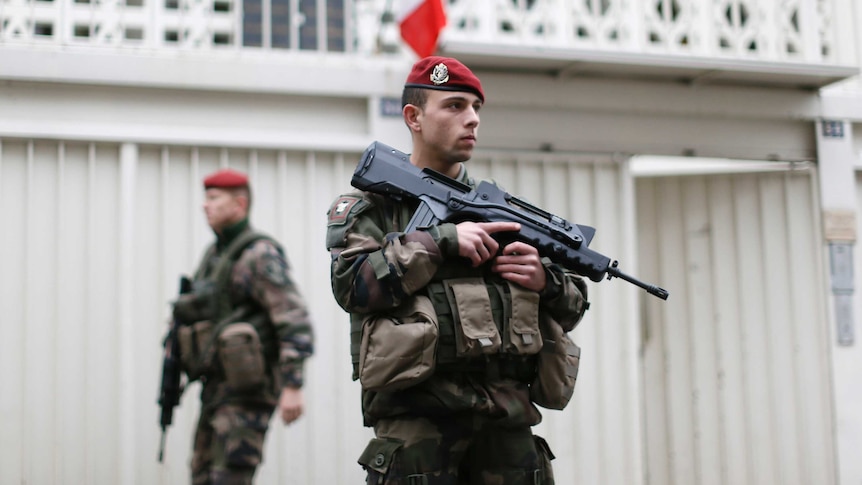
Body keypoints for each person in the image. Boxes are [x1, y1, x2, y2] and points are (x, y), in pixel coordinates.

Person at [325, 56, 589, 484]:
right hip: (418, 438)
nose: (471, 120)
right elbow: (352, 286)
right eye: (454, 106)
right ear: (413, 117)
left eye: (475, 108)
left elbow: (575, 305)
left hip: (507, 437)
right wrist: (441, 241)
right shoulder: (371, 208)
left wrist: (546, 280)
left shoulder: (501, 212)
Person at [171, 168, 314, 485]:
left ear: (239, 204)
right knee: (203, 475)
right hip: (217, 389)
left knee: (229, 477)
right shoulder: (215, 255)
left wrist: (292, 385)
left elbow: (293, 317)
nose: (204, 205)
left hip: (247, 391)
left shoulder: (258, 253)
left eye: (213, 198)